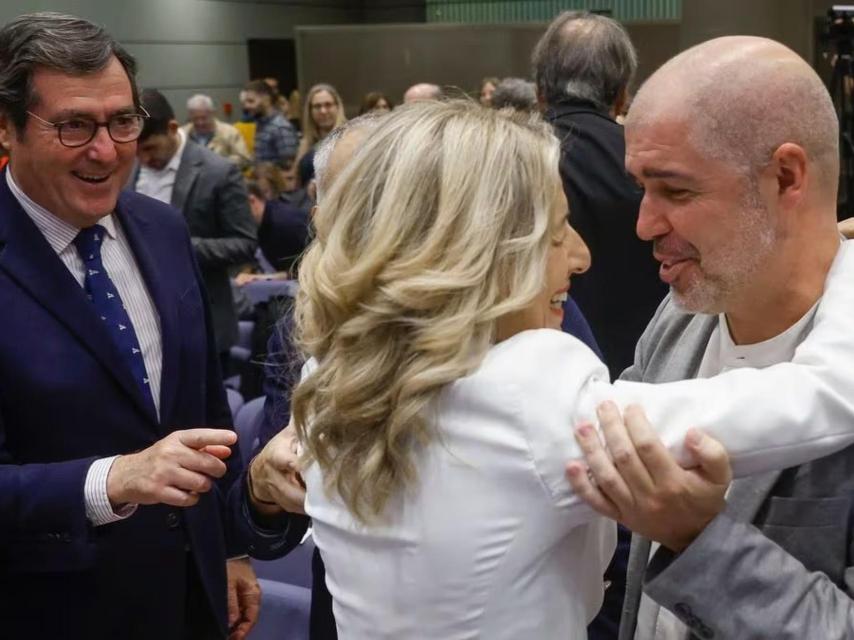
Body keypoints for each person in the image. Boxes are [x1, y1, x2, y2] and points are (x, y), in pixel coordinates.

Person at [281, 99, 854, 639]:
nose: (581, 256)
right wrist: (842, 262)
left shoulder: (328, 377)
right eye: (556, 233)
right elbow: (825, 396)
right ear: (480, 253)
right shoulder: (526, 390)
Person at [0, 12, 299, 640]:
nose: (106, 150)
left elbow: (204, 407)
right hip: (53, 611)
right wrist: (112, 480)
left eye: (123, 121)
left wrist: (228, 545)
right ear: (7, 126)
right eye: (74, 125)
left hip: (191, 591)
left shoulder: (161, 229)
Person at [564, 36, 854, 640]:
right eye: (641, 188)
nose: (644, 224)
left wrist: (698, 538)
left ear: (786, 177)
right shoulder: (684, 315)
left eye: (676, 191)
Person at [533, 11, 667, 381]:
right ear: (623, 96)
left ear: (539, 93)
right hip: (648, 362)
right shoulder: (657, 164)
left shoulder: (510, 165)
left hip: (544, 370)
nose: (580, 258)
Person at [133, 88, 257, 363]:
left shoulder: (219, 172)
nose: (143, 160)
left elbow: (245, 243)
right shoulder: (130, 169)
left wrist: (179, 246)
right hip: (142, 323)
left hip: (202, 321)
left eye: (150, 148)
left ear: (172, 128)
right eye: (135, 151)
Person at [182, 94, 252, 170]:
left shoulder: (229, 132)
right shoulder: (182, 134)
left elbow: (244, 159)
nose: (200, 123)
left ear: (213, 113)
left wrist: (218, 163)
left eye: (204, 118)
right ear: (190, 116)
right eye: (195, 118)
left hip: (222, 175)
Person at [296, 83, 347, 187]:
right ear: (310, 111)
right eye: (317, 106)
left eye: (328, 105)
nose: (323, 111)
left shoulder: (349, 138)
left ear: (337, 107)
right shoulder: (305, 142)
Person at [243, 79, 299, 165]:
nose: (246, 106)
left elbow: (289, 166)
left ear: (266, 99)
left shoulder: (280, 127)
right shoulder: (261, 123)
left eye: (251, 101)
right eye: (245, 102)